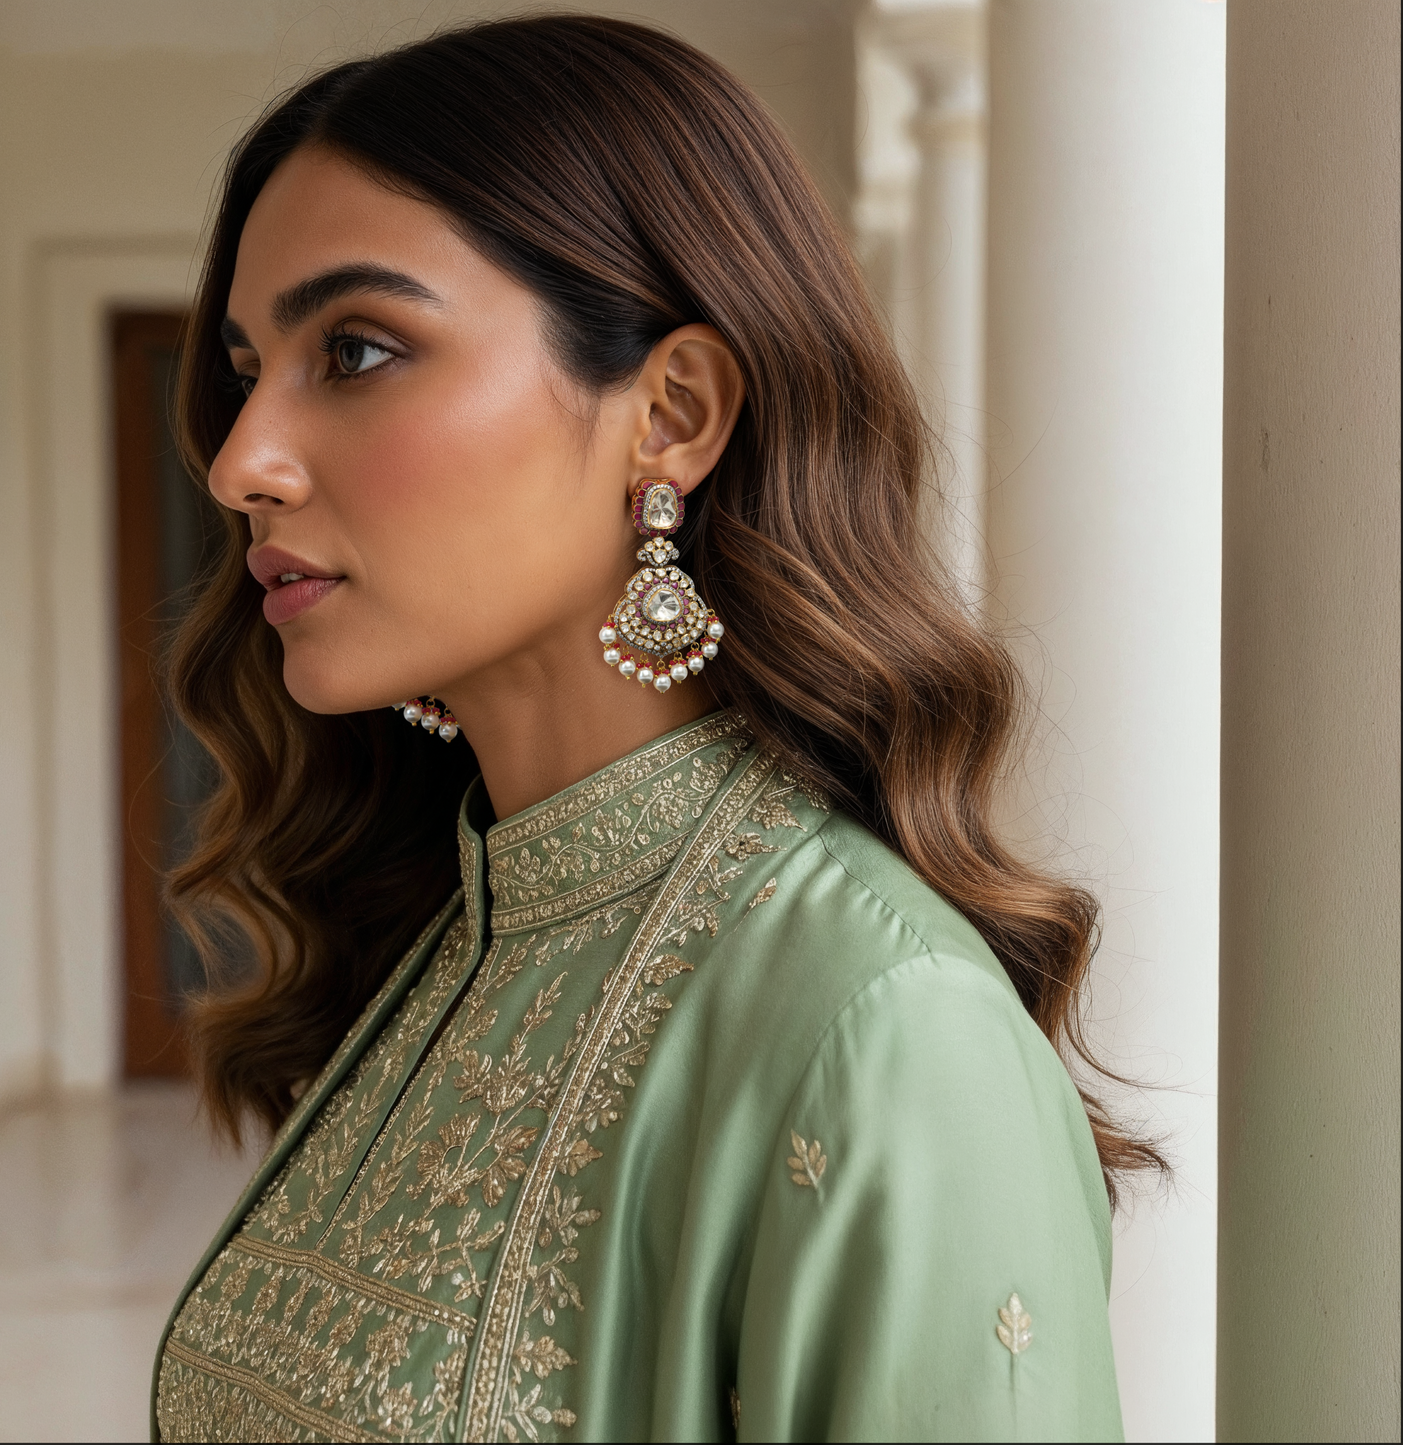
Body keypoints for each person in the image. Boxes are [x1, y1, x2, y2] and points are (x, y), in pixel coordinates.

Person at [152, 16, 1157, 1441]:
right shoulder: (466, 924)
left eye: (359, 349)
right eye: (250, 367)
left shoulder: (879, 1026)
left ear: (671, 412)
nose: (242, 457)